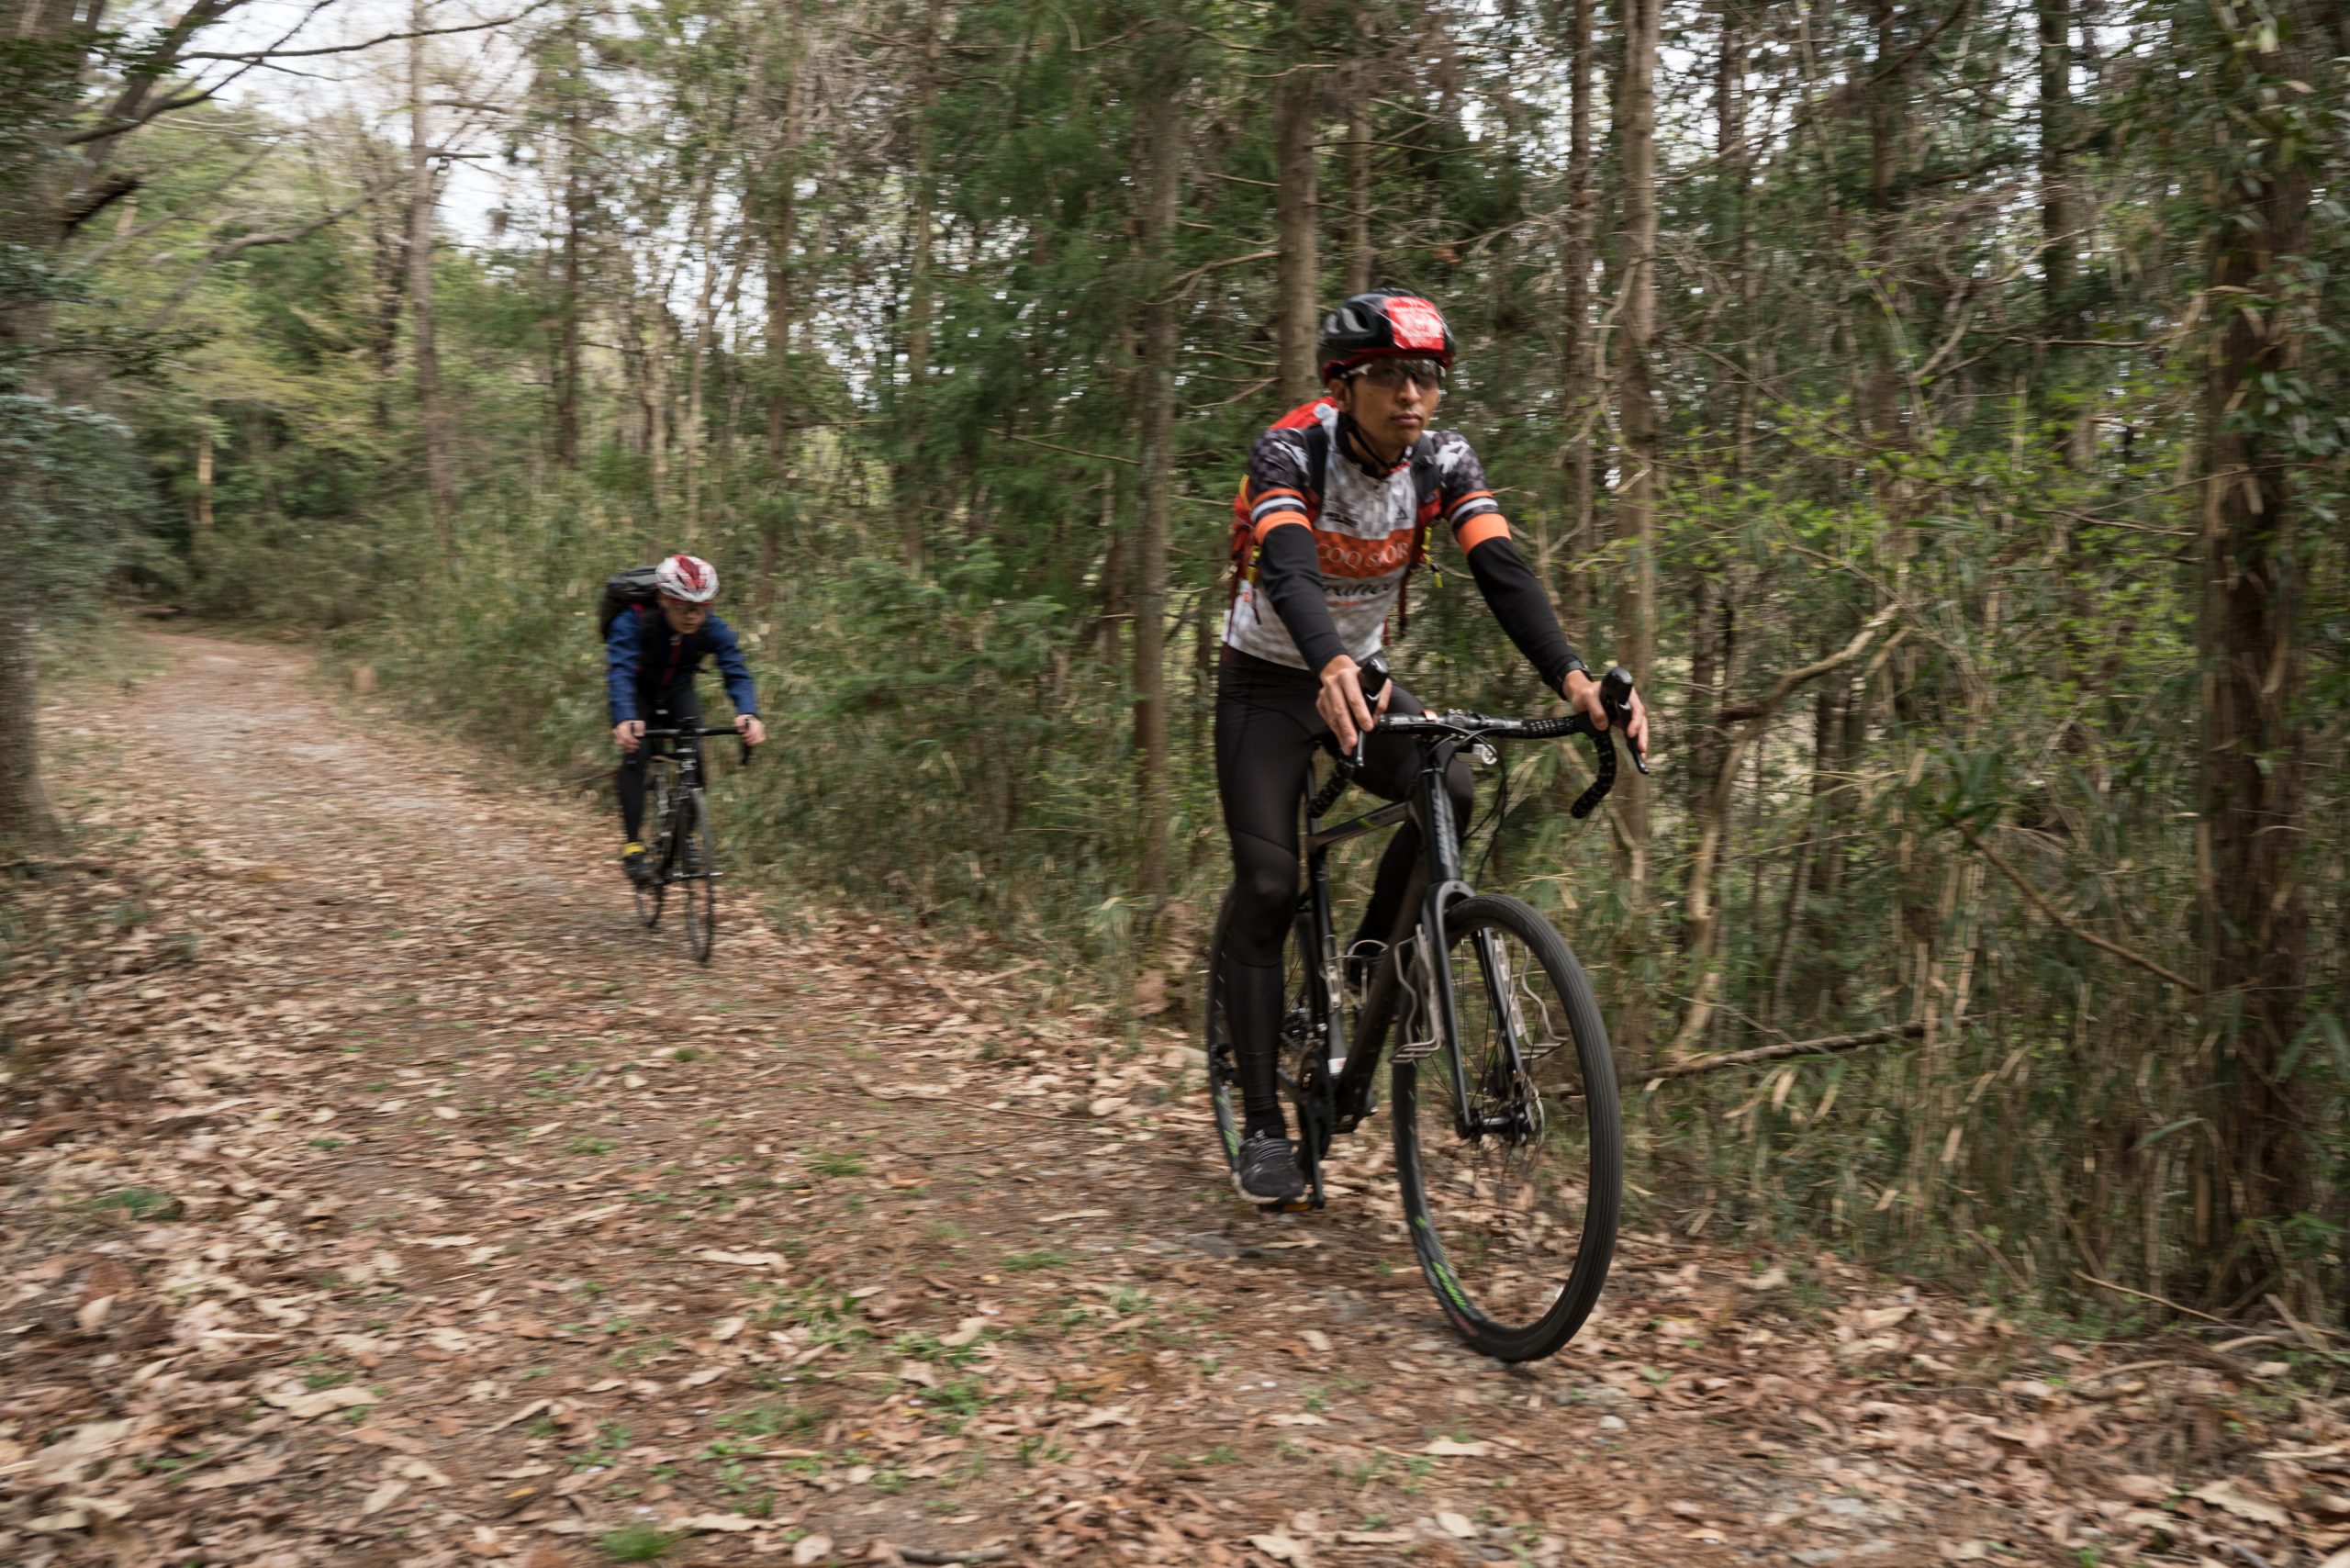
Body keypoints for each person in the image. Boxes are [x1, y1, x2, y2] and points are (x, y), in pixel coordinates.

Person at [1217, 290, 1652, 1204]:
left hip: (1359, 674)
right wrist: (1324, 655)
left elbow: (1501, 571)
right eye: (1388, 376)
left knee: (1446, 786)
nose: (1410, 394)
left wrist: (1574, 682)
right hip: (1268, 680)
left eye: (1426, 376)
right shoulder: (1290, 448)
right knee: (1265, 883)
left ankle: (1373, 957)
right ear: (1344, 384)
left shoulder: (1443, 461)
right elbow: (1289, 567)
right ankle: (1260, 1122)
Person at [607, 554, 767, 884]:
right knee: (636, 755)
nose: (693, 616)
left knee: (694, 762)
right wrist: (624, 718)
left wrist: (747, 712)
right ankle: (633, 848)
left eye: (702, 606)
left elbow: (736, 670)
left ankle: (684, 840)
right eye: (684, 607)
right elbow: (620, 671)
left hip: (678, 689)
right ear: (665, 600)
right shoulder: (634, 620)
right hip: (638, 690)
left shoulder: (713, 628)